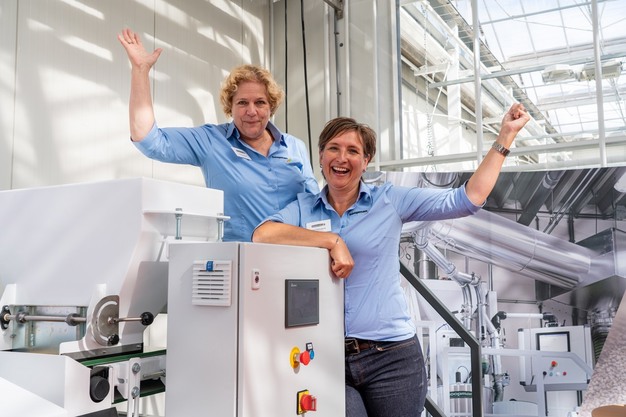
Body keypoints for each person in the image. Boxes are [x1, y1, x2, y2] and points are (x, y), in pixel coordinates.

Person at [252, 103, 531, 417]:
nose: (341, 158)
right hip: (327, 356)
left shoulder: (390, 200)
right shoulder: (304, 208)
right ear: (320, 155)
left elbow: (468, 199)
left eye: (353, 151)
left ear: (366, 160)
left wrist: (505, 137)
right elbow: (262, 234)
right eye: (333, 148)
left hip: (391, 359)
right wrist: (331, 240)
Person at [117, 28, 319, 242]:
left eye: (260, 102)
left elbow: (314, 205)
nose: (251, 111)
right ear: (230, 107)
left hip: (292, 255)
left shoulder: (295, 146)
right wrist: (140, 71)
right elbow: (150, 140)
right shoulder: (211, 141)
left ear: (271, 106)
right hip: (239, 257)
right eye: (242, 103)